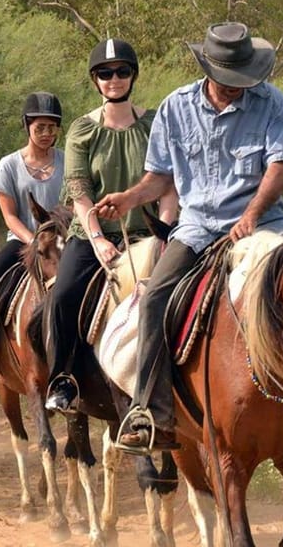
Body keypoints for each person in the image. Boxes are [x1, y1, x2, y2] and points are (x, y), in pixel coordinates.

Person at [96, 22, 283, 452]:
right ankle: (154, 414)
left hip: (264, 226)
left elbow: (278, 167)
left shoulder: (271, 102)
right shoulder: (176, 107)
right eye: (226, 81)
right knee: (153, 299)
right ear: (208, 69)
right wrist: (129, 198)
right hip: (198, 228)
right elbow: (160, 178)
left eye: (240, 81)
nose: (233, 89)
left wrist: (251, 214)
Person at [44, 39, 178, 414]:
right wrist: (99, 240)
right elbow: (79, 192)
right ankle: (64, 379)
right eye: (105, 73)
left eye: (121, 71)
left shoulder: (156, 124)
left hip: (151, 233)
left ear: (133, 75)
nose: (114, 79)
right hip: (92, 235)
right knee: (65, 294)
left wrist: (163, 231)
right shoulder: (82, 130)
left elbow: (170, 185)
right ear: (95, 80)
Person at [0, 92, 65, 378]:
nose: (46, 134)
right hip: (23, 240)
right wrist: (33, 240)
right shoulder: (8, 165)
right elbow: (9, 215)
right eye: (40, 128)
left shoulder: (68, 160)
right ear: (27, 127)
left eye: (52, 127)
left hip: (61, 241)